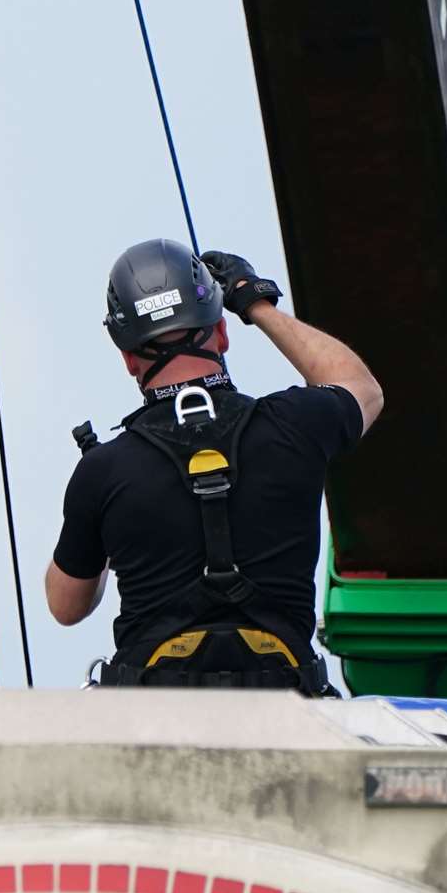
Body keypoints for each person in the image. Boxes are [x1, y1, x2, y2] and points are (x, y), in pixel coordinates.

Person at [47, 240, 382, 692]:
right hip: (285, 705)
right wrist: (256, 303)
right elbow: (362, 387)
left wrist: (105, 524)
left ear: (129, 360)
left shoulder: (104, 470)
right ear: (221, 333)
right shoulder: (297, 424)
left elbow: (66, 606)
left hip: (153, 719)